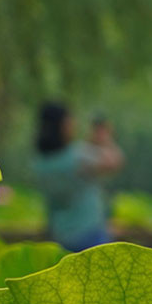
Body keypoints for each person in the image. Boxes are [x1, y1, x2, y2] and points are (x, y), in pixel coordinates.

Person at [33, 102, 124, 251]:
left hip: (59, 233)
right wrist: (104, 139)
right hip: (89, 232)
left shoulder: (40, 162)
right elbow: (113, 162)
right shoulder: (77, 156)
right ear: (62, 126)